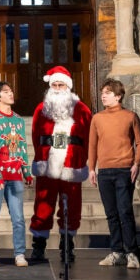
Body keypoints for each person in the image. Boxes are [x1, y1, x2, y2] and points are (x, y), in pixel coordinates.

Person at [30, 66, 93, 264]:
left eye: (61, 84)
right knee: (42, 206)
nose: (57, 88)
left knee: (71, 207)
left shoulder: (82, 109)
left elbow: (89, 135)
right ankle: (38, 247)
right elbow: (34, 134)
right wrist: (41, 156)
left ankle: (67, 246)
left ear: (68, 87)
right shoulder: (41, 108)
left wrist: (82, 159)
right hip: (46, 165)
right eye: (54, 85)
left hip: (71, 165)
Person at [88, 79, 140, 269]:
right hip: (104, 171)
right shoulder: (97, 118)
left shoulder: (130, 116)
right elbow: (93, 145)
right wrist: (91, 168)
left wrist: (136, 163)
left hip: (124, 170)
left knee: (125, 212)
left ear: (118, 96)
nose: (103, 95)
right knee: (111, 214)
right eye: (102, 92)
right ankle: (117, 251)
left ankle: (131, 252)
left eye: (107, 92)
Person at [0, 82, 32, 267]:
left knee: (18, 218)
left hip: (15, 176)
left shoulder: (18, 120)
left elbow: (22, 148)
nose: (11, 94)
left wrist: (26, 171)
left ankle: (19, 253)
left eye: (11, 91)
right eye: (6, 92)